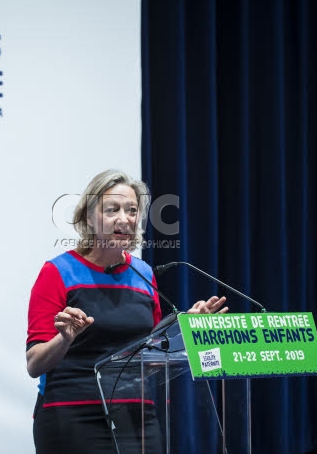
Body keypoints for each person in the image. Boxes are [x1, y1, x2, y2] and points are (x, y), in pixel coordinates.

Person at [26, 169, 228, 454]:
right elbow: (35, 364)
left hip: (138, 419)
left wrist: (187, 329)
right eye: (112, 209)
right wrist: (65, 338)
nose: (125, 218)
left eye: (132, 210)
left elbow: (152, 354)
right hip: (73, 416)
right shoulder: (58, 272)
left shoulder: (143, 274)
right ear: (88, 218)